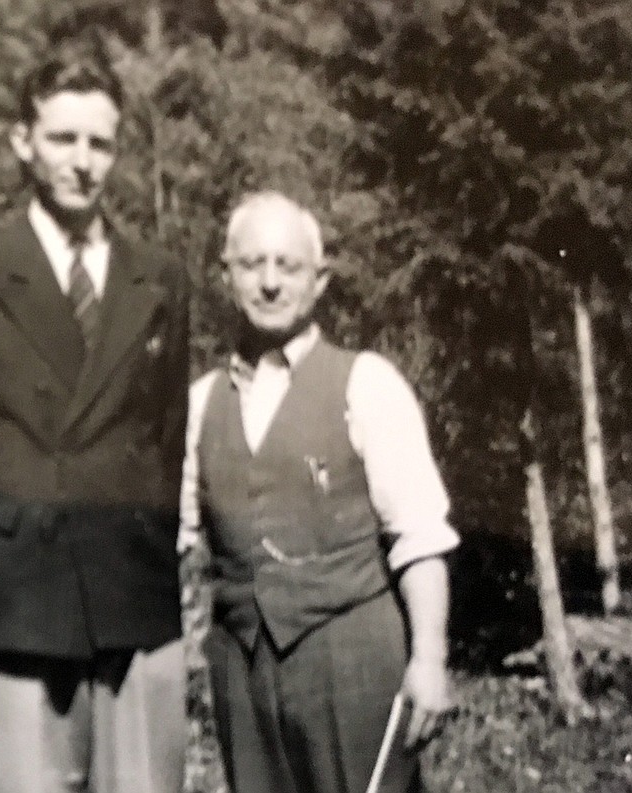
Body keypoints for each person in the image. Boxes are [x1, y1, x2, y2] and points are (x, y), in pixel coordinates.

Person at [0, 37, 190, 793]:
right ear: (23, 142)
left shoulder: (160, 279)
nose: (83, 161)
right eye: (63, 138)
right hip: (18, 596)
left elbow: (163, 442)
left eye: (100, 143)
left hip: (130, 593)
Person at [180, 191, 458, 793]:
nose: (271, 283)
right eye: (252, 265)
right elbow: (175, 539)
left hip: (351, 660)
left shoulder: (366, 383)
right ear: (226, 276)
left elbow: (420, 538)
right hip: (241, 665)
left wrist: (429, 660)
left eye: (289, 266)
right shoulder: (200, 404)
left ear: (320, 280)